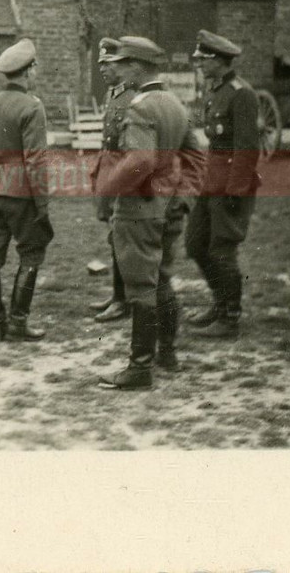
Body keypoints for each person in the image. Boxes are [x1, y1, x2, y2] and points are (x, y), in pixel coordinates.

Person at [97, 36, 204, 390]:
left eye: (123, 64)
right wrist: (183, 198)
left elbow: (140, 161)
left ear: (137, 67)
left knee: (142, 286)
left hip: (139, 207)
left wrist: (108, 186)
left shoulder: (141, 106)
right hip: (168, 206)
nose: (119, 70)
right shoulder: (174, 103)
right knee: (162, 278)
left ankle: (140, 368)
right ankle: (167, 354)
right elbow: (196, 157)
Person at [0, 38, 53, 342]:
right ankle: (18, 322)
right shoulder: (32, 107)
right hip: (22, 194)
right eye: (35, 68)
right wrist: (42, 204)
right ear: (28, 71)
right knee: (31, 253)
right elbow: (35, 160)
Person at [184, 29, 261, 340]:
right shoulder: (215, 91)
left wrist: (236, 190)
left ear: (219, 60)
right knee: (195, 244)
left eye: (204, 59)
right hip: (211, 183)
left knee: (222, 250)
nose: (199, 64)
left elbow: (247, 148)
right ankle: (219, 302)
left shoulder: (242, 94)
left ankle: (230, 317)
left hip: (230, 186)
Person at [89, 37, 136, 322]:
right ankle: (119, 295)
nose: (103, 69)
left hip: (124, 175)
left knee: (122, 238)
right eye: (101, 64)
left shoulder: (131, 97)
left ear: (120, 64)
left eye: (107, 64)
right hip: (111, 171)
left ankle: (124, 299)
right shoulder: (114, 94)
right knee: (114, 236)